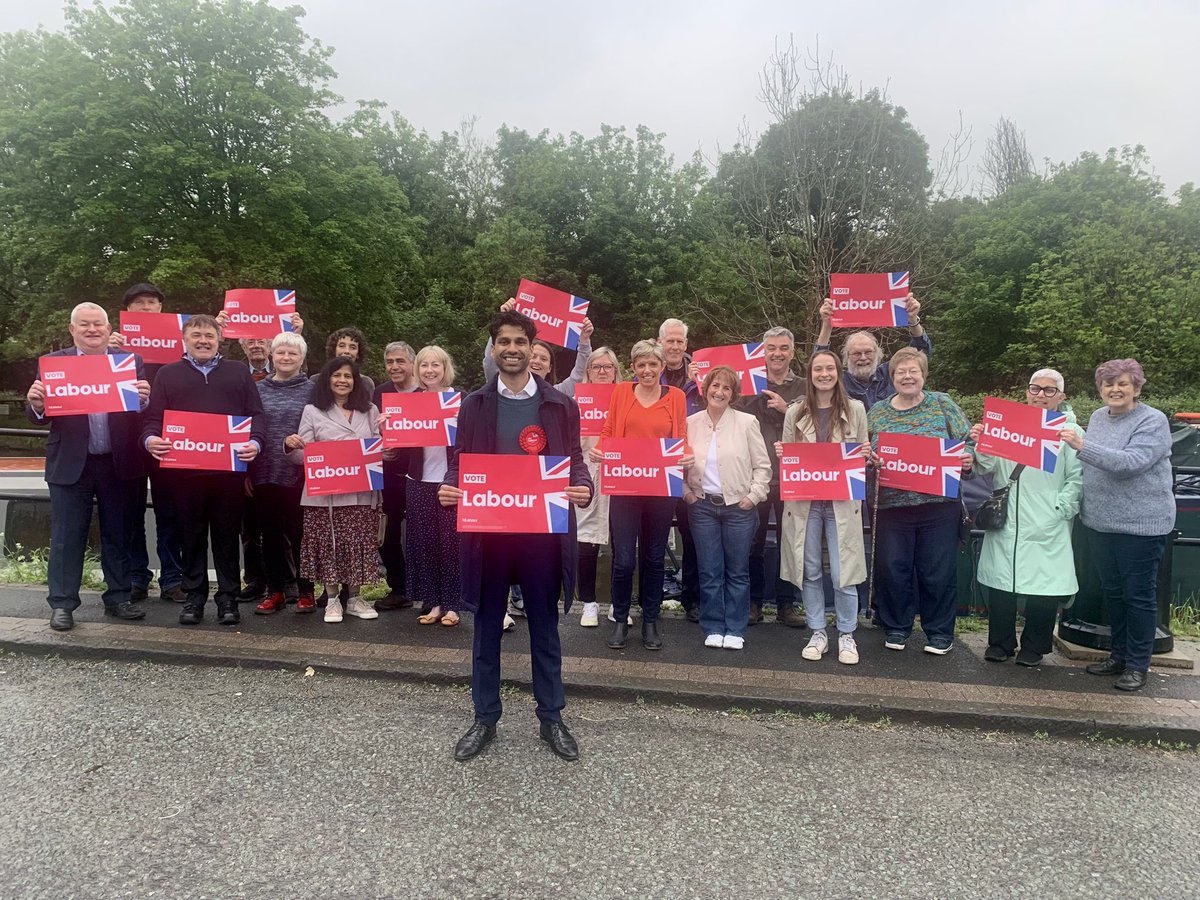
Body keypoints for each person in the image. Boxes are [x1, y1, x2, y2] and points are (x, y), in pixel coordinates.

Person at [439, 309, 593, 763]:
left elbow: (576, 459)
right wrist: (452, 486)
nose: (511, 349)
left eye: (519, 342)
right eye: (502, 342)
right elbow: (460, 457)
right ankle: (484, 717)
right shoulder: (474, 404)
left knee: (545, 629)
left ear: (533, 346)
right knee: (486, 629)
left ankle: (552, 718)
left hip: (540, 535)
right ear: (494, 348)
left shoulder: (560, 404)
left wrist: (583, 487)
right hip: (489, 532)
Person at [25, 302, 151, 631]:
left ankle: (119, 597)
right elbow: (42, 416)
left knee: (119, 534)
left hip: (117, 462)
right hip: (71, 464)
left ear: (109, 329)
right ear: (72, 330)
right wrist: (37, 405)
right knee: (67, 536)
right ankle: (63, 604)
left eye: (98, 324)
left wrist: (144, 399)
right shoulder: (53, 364)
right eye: (85, 325)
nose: (92, 330)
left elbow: (140, 410)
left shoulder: (130, 362)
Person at [142, 315, 265, 626]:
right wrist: (150, 439)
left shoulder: (237, 372)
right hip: (184, 474)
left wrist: (256, 443)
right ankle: (194, 598)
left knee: (226, 539)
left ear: (219, 339)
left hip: (229, 473)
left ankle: (228, 600)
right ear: (184, 339)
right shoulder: (168, 375)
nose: (203, 341)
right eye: (196, 335)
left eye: (209, 335)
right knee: (190, 537)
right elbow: (153, 418)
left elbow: (256, 415)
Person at [1060, 359, 1174, 692]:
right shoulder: (1097, 417)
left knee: (1138, 596)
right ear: (1100, 389)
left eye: (1123, 383)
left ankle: (1138, 665)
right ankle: (1118, 655)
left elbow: (1130, 463)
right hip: (1099, 522)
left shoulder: (1153, 421)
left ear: (1137, 387)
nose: (1115, 389)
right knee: (1114, 593)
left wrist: (1082, 445)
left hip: (1140, 525)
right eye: (1109, 384)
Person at [969, 369, 1083, 667]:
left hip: (1047, 519)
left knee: (1045, 586)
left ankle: (1035, 645)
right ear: (1027, 392)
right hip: (1008, 514)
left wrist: (1061, 508)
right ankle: (1000, 643)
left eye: (1049, 390)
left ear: (1061, 396)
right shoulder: (1009, 424)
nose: (1041, 395)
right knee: (1002, 581)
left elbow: (1077, 477)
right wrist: (982, 442)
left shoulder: (1070, 432)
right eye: (1035, 389)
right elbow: (986, 467)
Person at [866, 347, 973, 654]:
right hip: (890, 506)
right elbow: (863, 451)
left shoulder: (943, 404)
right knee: (892, 567)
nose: (908, 376)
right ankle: (897, 627)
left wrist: (969, 460)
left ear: (924, 375)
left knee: (936, 570)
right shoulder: (878, 411)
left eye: (914, 371)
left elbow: (970, 442)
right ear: (892, 376)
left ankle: (939, 631)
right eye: (901, 372)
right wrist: (870, 461)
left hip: (938, 506)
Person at [594, 340, 693, 651]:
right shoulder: (622, 392)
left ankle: (650, 620)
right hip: (625, 486)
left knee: (653, 558)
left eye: (653, 364)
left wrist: (686, 455)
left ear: (662, 367)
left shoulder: (675, 397)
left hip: (660, 488)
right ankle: (621, 619)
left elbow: (681, 436)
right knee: (623, 559)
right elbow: (609, 429)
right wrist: (600, 449)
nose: (647, 370)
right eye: (641, 365)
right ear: (633, 368)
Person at [778, 350, 870, 665]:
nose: (824, 374)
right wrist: (783, 453)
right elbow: (787, 459)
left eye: (829, 368)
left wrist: (866, 453)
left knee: (845, 571)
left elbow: (861, 456)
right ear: (811, 374)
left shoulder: (856, 409)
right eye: (818, 369)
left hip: (842, 502)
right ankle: (818, 631)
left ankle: (847, 634)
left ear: (838, 372)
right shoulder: (795, 412)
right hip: (805, 503)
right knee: (810, 570)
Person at [289, 356, 384, 624]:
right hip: (325, 494)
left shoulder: (370, 410)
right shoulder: (312, 411)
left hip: (361, 492)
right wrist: (292, 445)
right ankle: (332, 600)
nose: (342, 380)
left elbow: (380, 450)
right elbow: (301, 457)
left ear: (356, 381)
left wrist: (389, 441)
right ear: (327, 380)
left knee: (357, 543)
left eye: (348, 376)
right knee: (328, 544)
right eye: (337, 375)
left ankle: (354, 598)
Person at [684, 366, 770, 650]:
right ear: (705, 388)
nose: (719, 392)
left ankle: (735, 628)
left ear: (733, 394)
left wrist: (754, 496)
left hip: (739, 508)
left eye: (726, 388)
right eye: (715, 386)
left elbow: (763, 466)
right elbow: (676, 462)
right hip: (703, 506)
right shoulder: (691, 422)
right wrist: (686, 492)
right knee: (709, 571)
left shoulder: (747, 422)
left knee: (737, 571)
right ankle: (713, 626)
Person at [111, 282, 184, 603]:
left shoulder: (180, 341)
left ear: (161, 308)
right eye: (139, 302)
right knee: (131, 512)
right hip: (126, 437)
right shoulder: (112, 346)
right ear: (128, 311)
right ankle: (137, 576)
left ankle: (172, 577)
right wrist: (111, 349)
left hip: (170, 436)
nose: (146, 307)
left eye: (152, 302)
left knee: (170, 511)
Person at [736, 325, 807, 627]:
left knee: (790, 542)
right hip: (755, 478)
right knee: (752, 541)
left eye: (783, 348)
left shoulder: (806, 386)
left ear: (792, 352)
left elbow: (817, 425)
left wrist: (786, 408)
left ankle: (786, 605)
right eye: (771, 348)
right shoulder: (748, 383)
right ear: (762, 353)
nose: (777, 354)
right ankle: (753, 603)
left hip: (794, 476)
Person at [250, 332, 317, 615]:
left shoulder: (313, 390)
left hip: (301, 474)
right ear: (271, 356)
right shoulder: (257, 389)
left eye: (292, 353)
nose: (286, 358)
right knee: (270, 535)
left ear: (302, 358)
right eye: (281, 353)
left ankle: (306, 591)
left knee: (301, 534)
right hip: (264, 471)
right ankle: (275, 591)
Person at [402, 345, 463, 627]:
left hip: (449, 483)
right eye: (424, 365)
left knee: (450, 545)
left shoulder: (459, 400)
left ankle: (453, 605)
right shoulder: (408, 402)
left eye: (435, 365)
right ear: (418, 370)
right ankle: (434, 602)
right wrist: (388, 428)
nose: (429, 370)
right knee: (425, 545)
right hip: (418, 482)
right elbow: (399, 447)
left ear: (445, 367)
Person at [814, 292, 931, 411]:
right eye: (857, 354)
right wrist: (827, 325)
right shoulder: (839, 380)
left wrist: (912, 319)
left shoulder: (891, 373)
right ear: (847, 357)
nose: (863, 358)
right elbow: (818, 362)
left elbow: (920, 352)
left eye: (868, 352)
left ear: (878, 353)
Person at [657, 317, 702, 623]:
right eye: (669, 341)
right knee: (653, 537)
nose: (674, 346)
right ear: (659, 342)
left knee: (694, 536)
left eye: (679, 341)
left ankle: (693, 599)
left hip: (690, 470)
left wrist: (702, 384)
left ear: (686, 345)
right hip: (654, 470)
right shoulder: (646, 372)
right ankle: (651, 599)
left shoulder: (702, 375)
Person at [576, 346, 622, 628]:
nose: (603, 371)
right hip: (588, 473)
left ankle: (619, 603)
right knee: (586, 541)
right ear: (588, 372)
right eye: (597, 367)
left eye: (608, 367)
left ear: (616, 371)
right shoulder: (575, 402)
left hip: (622, 474)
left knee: (623, 543)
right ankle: (589, 603)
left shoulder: (628, 398)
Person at [372, 341, 418, 611]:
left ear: (412, 363)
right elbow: (369, 433)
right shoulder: (380, 393)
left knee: (421, 535)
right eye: (390, 362)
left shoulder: (426, 392)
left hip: (421, 474)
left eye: (400, 361)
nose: (395, 367)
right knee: (386, 533)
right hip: (388, 474)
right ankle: (399, 588)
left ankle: (427, 591)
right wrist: (381, 448)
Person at [483, 298, 594, 398]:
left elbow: (579, 375)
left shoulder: (556, 394)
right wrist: (503, 323)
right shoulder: (498, 386)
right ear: (525, 356)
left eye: (544, 359)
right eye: (534, 356)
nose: (537, 361)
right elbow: (490, 362)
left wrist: (584, 340)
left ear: (550, 368)